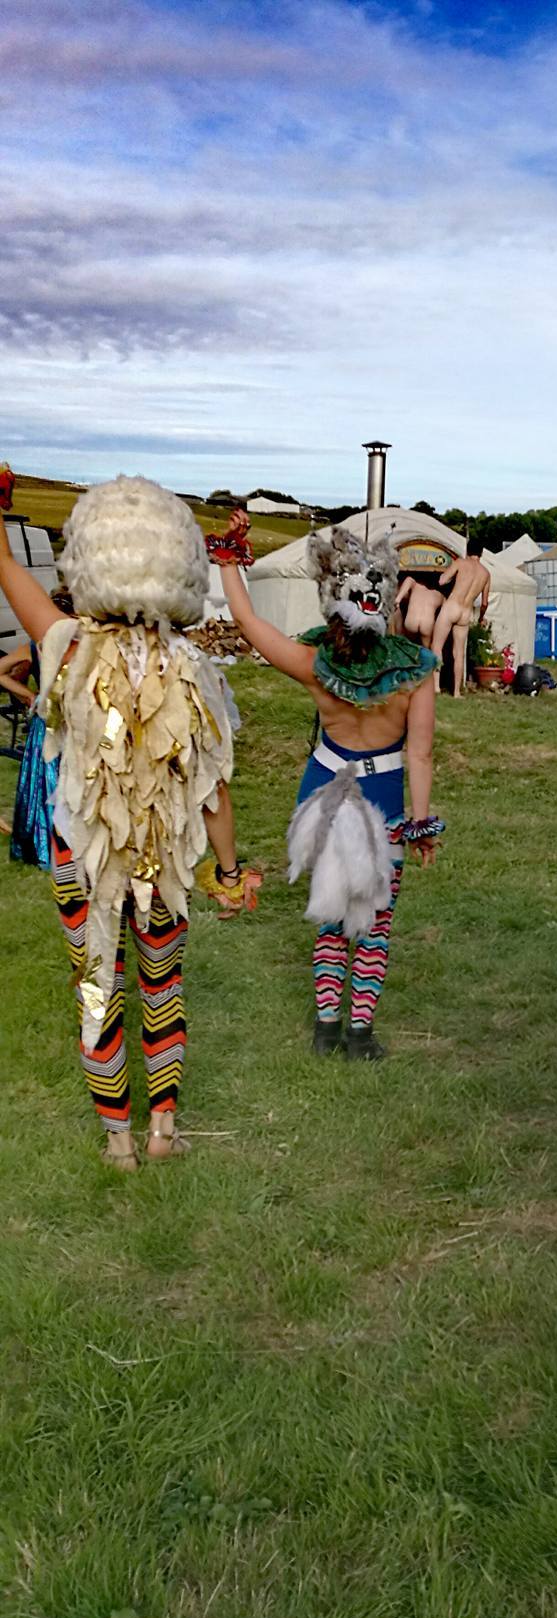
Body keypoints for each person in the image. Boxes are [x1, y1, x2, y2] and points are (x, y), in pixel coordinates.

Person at [0, 472, 236, 1170]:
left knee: (97, 986)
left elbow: (6, 567)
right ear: (177, 561)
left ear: (90, 556)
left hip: (83, 857)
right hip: (163, 859)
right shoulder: (196, 668)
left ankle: (118, 1141)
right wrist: (228, 871)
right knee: (163, 986)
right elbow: (214, 792)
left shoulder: (65, 646)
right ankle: (163, 1130)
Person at [218, 511, 442, 1058]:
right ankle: (360, 1034)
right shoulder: (415, 672)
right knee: (375, 923)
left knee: (331, 913)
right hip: (384, 803)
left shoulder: (313, 664)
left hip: (322, 796)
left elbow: (247, 621)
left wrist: (227, 557)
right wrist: (420, 823)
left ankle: (325, 1030)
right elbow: (420, 753)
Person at [0, 589, 74, 866]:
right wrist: (29, 695)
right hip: (65, 720)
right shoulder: (76, 644)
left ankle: (45, 843)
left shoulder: (35, 645)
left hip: (48, 720)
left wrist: (31, 695)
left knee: (43, 781)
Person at [433, 547, 490, 697]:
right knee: (459, 653)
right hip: (466, 612)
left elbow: (442, 580)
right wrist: (481, 617)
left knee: (437, 646)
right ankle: (457, 692)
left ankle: (436, 686)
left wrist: (451, 578)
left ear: (467, 550)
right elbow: (485, 603)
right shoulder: (486, 573)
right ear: (481, 553)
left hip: (452, 606)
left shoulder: (460, 562)